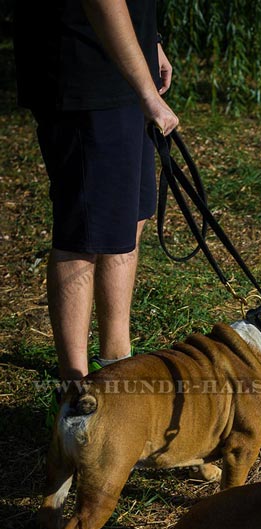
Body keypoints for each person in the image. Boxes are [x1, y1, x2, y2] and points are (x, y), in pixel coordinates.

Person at [14, 0, 178, 384]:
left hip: (123, 68)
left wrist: (148, 42)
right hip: (84, 74)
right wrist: (147, 91)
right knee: (83, 235)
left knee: (130, 217)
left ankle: (116, 362)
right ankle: (75, 386)